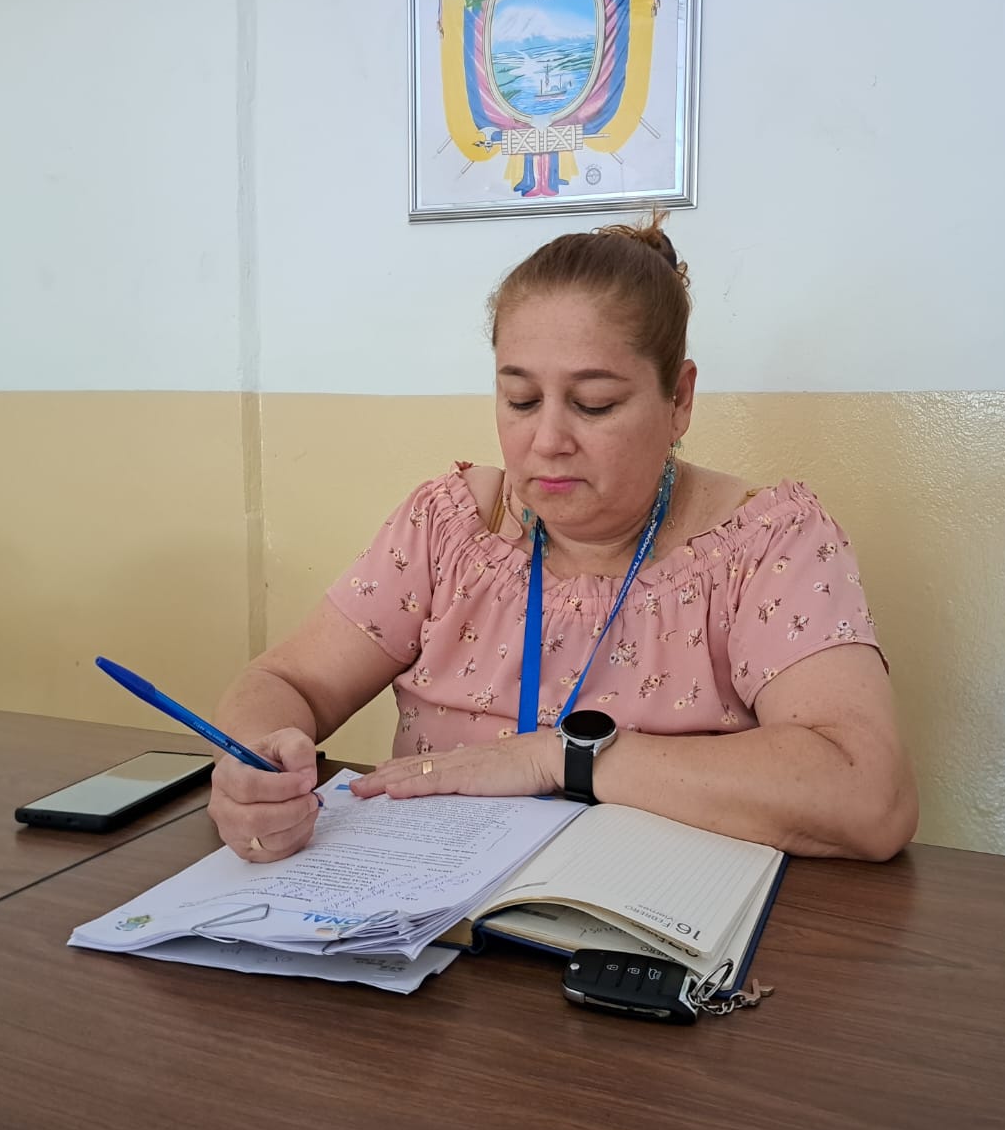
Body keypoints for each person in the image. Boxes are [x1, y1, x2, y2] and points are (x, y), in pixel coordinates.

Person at [209, 215, 917, 864]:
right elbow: (284, 682)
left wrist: (561, 757)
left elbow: (868, 795)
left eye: (593, 404)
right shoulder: (451, 528)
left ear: (679, 399)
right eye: (520, 400)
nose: (546, 440)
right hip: (434, 914)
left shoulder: (765, 545)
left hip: (649, 923)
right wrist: (255, 762)